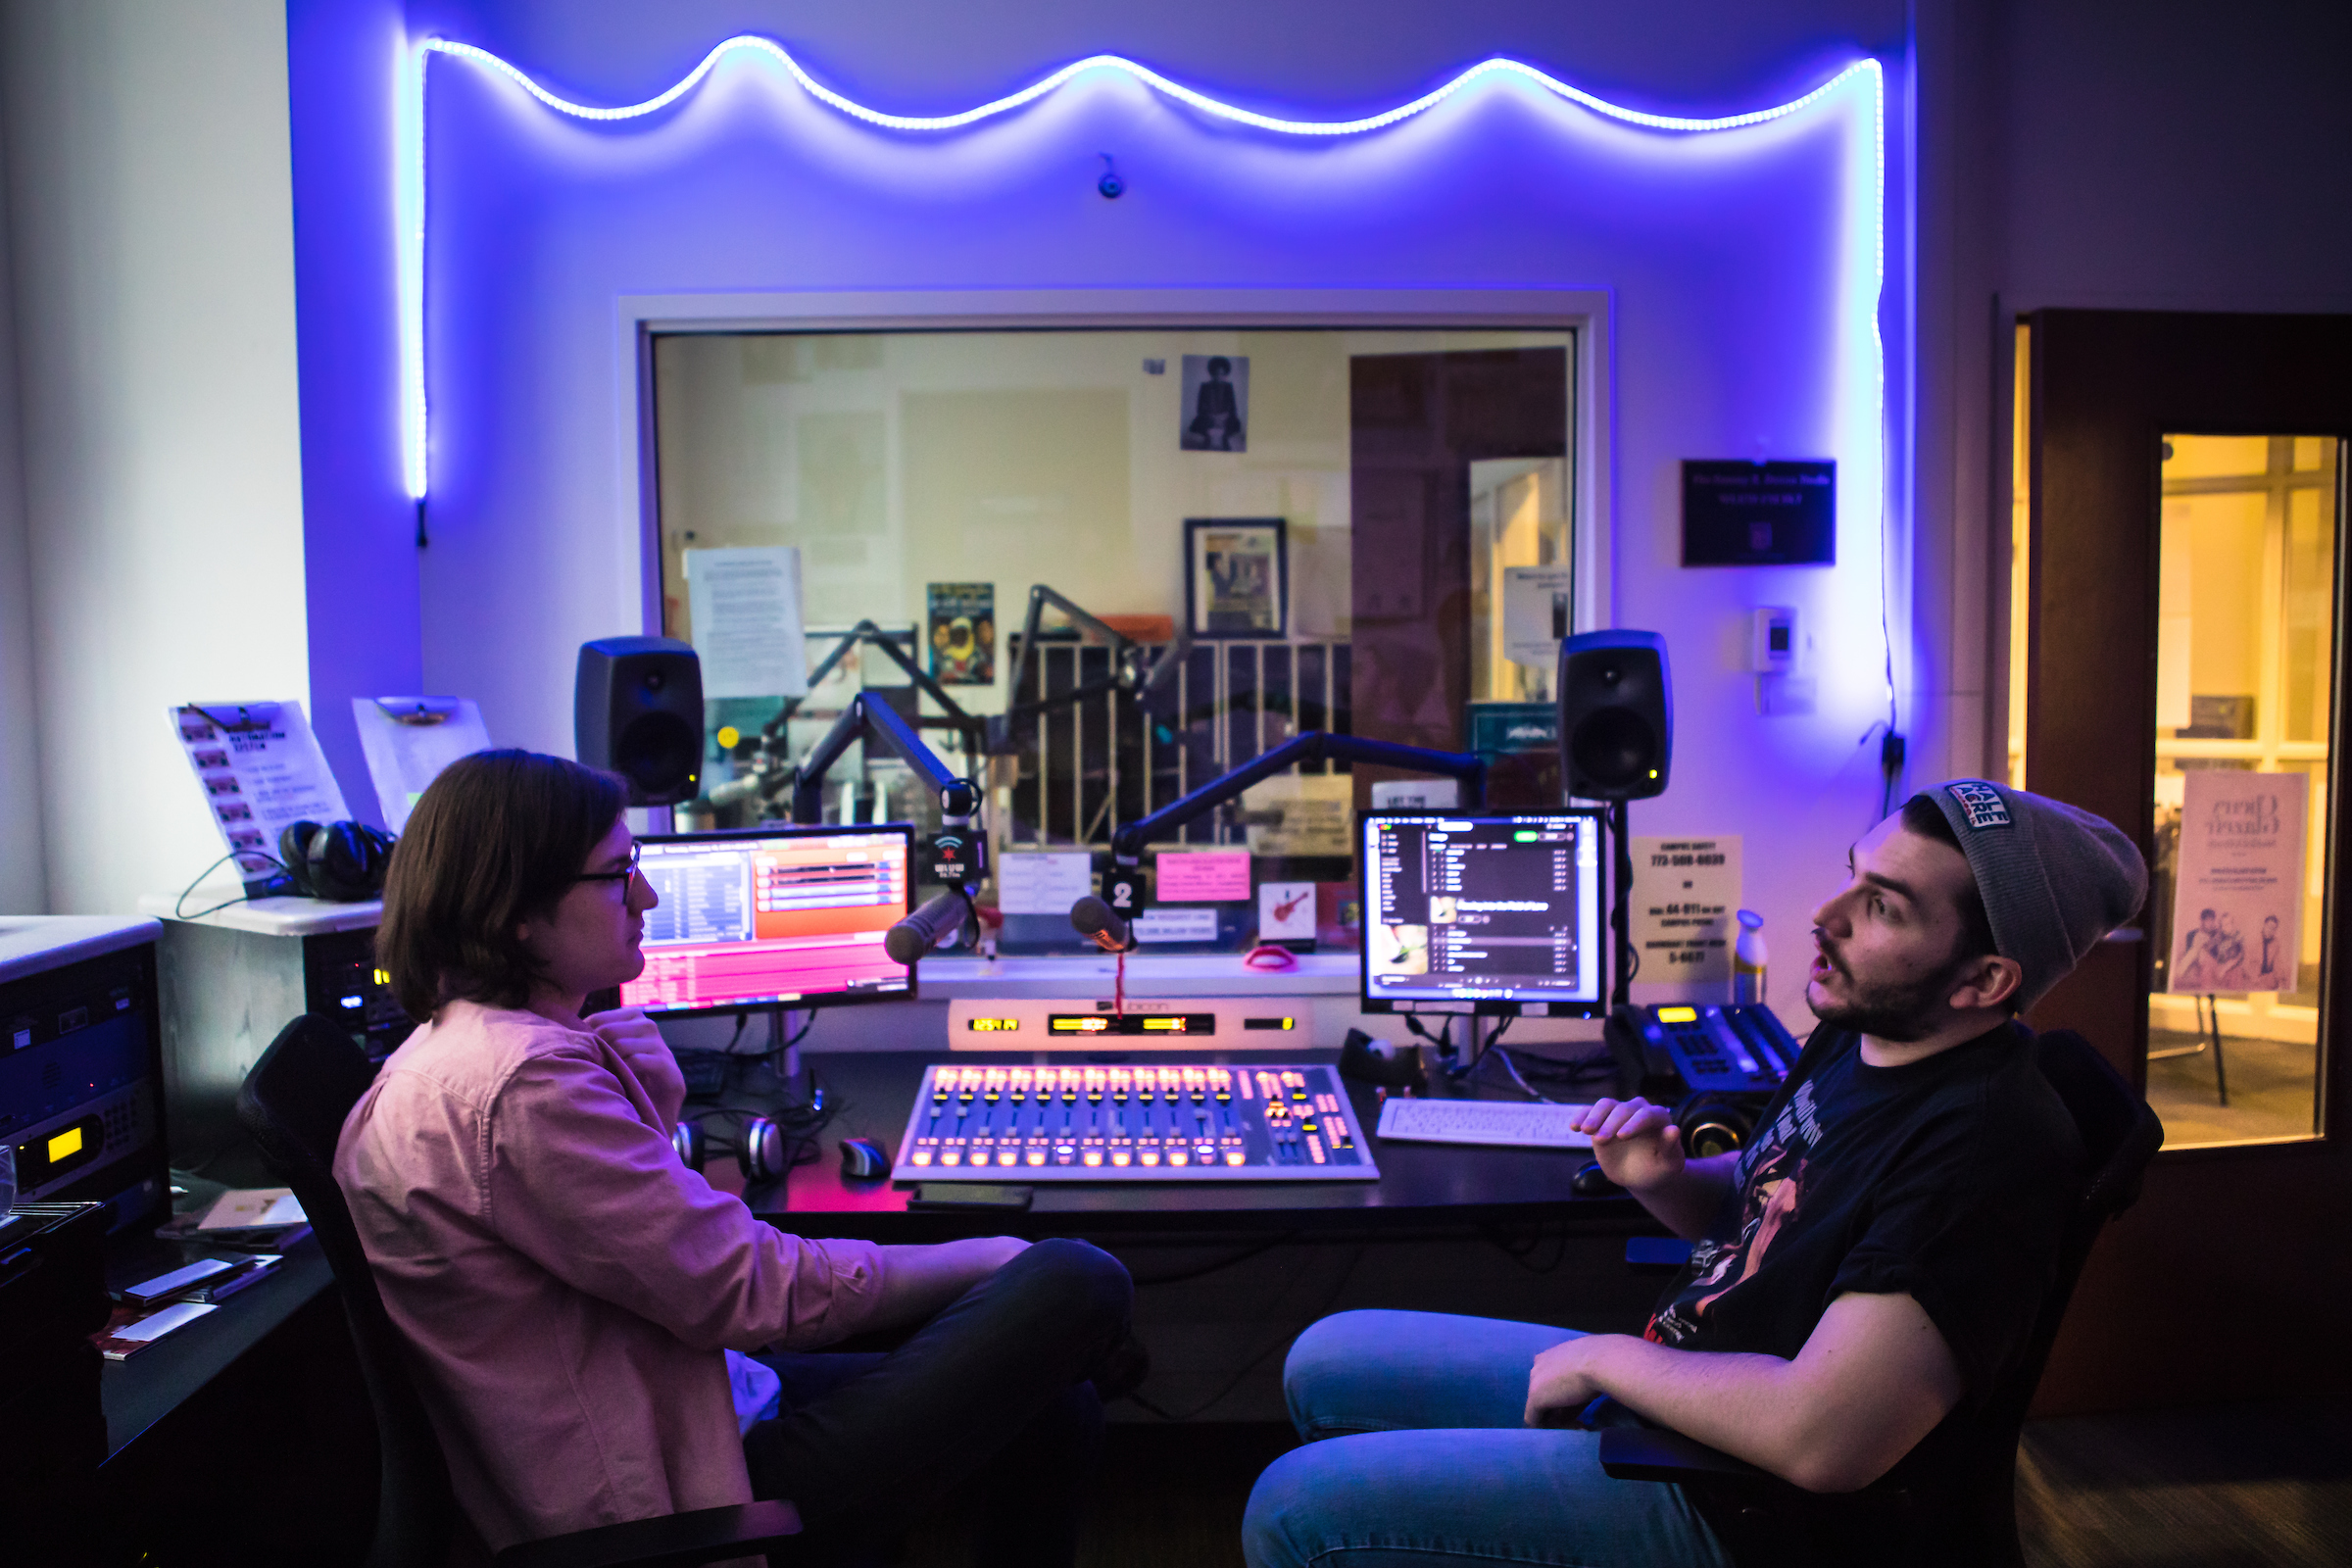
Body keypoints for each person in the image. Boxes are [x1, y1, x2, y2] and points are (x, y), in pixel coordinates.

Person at [1243, 779, 2145, 1568]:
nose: (1826, 918)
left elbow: (1824, 1439)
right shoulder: (1860, 1032)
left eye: (1884, 906)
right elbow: (1760, 1207)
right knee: (1324, 1359)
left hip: (1750, 1511)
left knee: (1296, 1510)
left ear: (1985, 980)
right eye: (1851, 875)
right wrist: (1663, 1176)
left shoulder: (1983, 1152)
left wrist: (1608, 1358)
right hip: (1688, 1398)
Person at [337, 750, 1136, 1563]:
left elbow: (671, 1267)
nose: (645, 896)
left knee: (1054, 1395)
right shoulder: (519, 1087)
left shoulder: (465, 1055)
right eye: (618, 876)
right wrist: (996, 1259)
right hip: (684, 1496)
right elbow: (751, 1291)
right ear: (516, 911)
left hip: (705, 1406)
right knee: (1077, 1277)